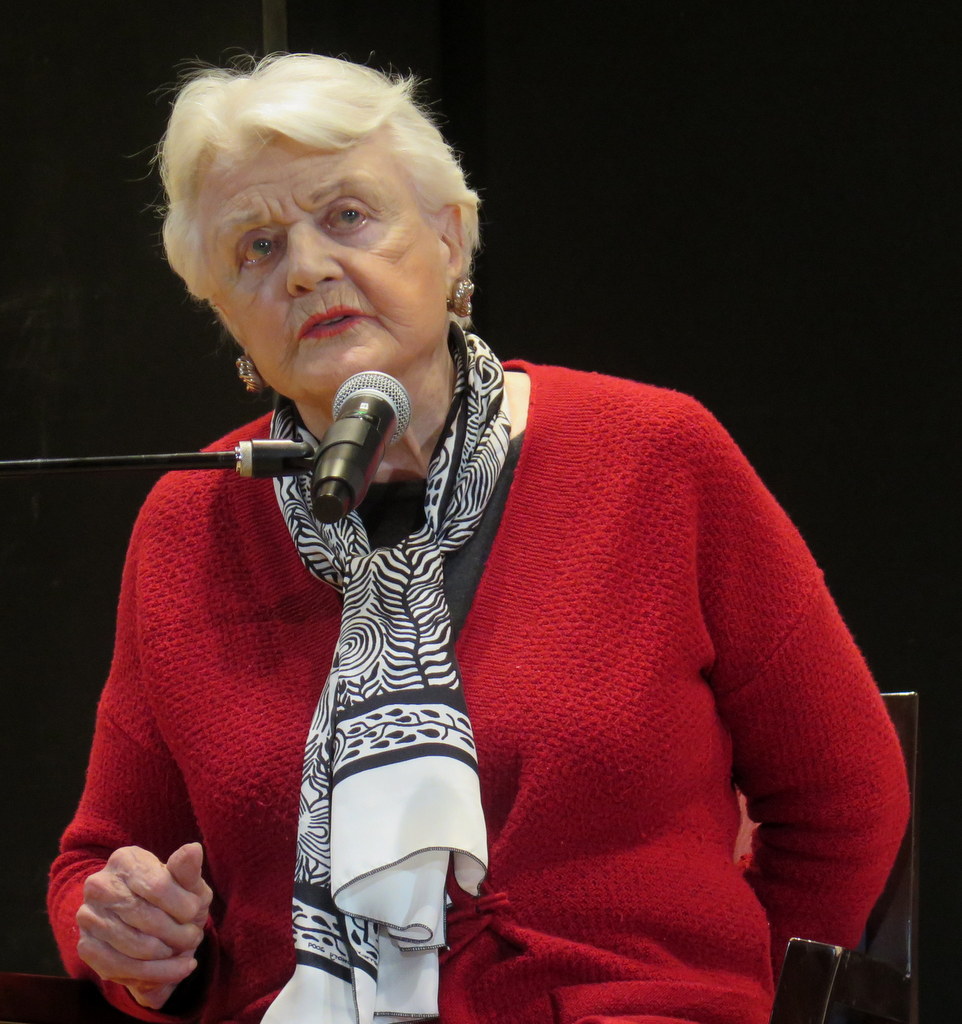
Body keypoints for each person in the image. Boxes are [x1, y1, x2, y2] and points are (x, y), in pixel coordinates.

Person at [47, 53, 909, 1024]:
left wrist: (736, 1000)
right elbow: (96, 862)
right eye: (255, 247)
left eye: (346, 216)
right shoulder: (188, 522)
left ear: (450, 240)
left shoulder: (654, 456)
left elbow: (845, 802)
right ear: (227, 319)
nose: (308, 267)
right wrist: (126, 935)